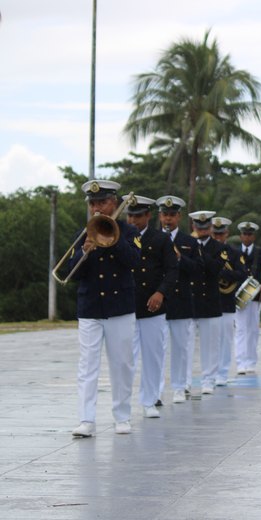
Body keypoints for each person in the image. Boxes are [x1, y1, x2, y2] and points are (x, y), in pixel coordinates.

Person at [69, 180, 141, 437]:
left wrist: (111, 239)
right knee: (87, 365)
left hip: (120, 307)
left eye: (102, 202)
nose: (97, 207)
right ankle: (86, 419)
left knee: (122, 364)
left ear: (114, 202)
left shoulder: (128, 231)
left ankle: (122, 416)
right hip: (90, 307)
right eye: (93, 203)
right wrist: (84, 252)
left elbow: (134, 260)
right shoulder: (83, 232)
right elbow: (71, 273)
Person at [125, 195, 178, 419]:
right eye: (130, 216)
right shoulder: (119, 235)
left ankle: (149, 400)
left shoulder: (161, 239)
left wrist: (161, 292)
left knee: (153, 355)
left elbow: (172, 270)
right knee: (126, 358)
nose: (134, 221)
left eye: (138, 216)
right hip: (125, 305)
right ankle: (123, 405)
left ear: (148, 216)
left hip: (152, 305)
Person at [156, 196, 202, 404]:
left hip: (181, 300)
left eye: (172, 215)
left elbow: (197, 269)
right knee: (156, 349)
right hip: (158, 301)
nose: (168, 219)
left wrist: (180, 258)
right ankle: (155, 391)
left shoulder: (189, 242)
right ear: (159, 216)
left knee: (181, 347)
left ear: (179, 217)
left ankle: (179, 386)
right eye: (165, 215)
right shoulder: (153, 239)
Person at [188, 211, 225, 395]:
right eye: (198, 227)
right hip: (190, 300)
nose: (201, 231)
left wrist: (200, 251)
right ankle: (185, 382)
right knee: (185, 346)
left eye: (205, 228)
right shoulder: (187, 244)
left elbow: (215, 269)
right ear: (193, 227)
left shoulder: (219, 247)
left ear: (210, 228)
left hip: (209, 301)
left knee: (210, 345)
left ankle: (208, 379)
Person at [235, 222, 261, 374]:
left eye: (249, 234)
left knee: (252, 330)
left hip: (256, 294)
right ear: (240, 236)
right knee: (240, 329)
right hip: (239, 295)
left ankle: (251, 361)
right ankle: (240, 363)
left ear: (254, 236)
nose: (247, 237)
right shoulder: (235, 251)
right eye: (244, 234)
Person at [211, 217, 247, 385]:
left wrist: (222, 274)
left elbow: (242, 274)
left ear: (226, 233)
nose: (218, 237)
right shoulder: (204, 249)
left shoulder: (234, 253)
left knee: (225, 339)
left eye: (221, 233)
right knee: (210, 340)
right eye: (215, 233)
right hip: (208, 301)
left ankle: (222, 373)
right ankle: (210, 373)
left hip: (226, 300)